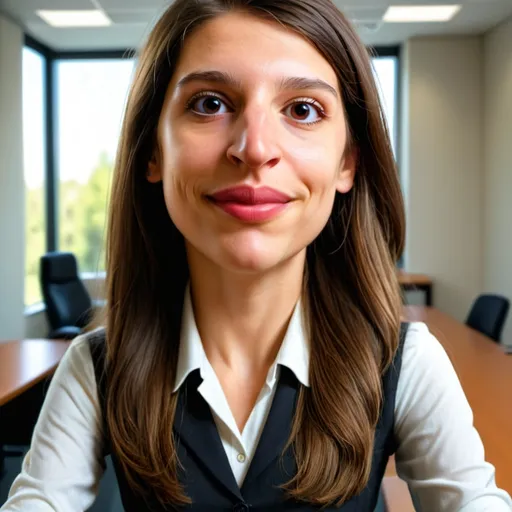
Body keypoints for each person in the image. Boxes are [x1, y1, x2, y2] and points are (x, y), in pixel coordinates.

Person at [3, 0, 512, 510]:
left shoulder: (408, 363)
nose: (254, 147)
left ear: (347, 163)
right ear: (153, 151)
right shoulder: (96, 367)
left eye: (303, 110)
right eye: (208, 103)